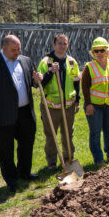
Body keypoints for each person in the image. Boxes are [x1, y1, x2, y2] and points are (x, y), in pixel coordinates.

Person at [0, 35, 41, 193]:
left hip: (26, 111)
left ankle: (24, 173)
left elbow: (32, 82)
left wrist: (37, 79)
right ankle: (11, 179)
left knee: (27, 144)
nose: (17, 52)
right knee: (6, 149)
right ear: (4, 48)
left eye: (19, 49)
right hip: (3, 113)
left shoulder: (25, 60)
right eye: (14, 50)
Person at [36, 33, 80, 169]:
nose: (62, 46)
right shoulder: (46, 62)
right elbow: (39, 84)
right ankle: (52, 162)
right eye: (59, 43)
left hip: (68, 106)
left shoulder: (72, 62)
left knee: (68, 134)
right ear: (54, 45)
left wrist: (77, 100)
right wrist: (50, 72)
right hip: (51, 107)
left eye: (64, 43)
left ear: (68, 45)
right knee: (51, 136)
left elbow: (76, 82)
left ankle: (68, 160)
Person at [81, 37, 109, 167]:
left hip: (108, 104)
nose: (99, 53)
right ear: (93, 53)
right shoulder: (89, 67)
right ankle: (98, 159)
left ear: (107, 52)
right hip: (94, 106)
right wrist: (88, 104)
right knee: (95, 132)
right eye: (96, 51)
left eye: (102, 50)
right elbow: (84, 87)